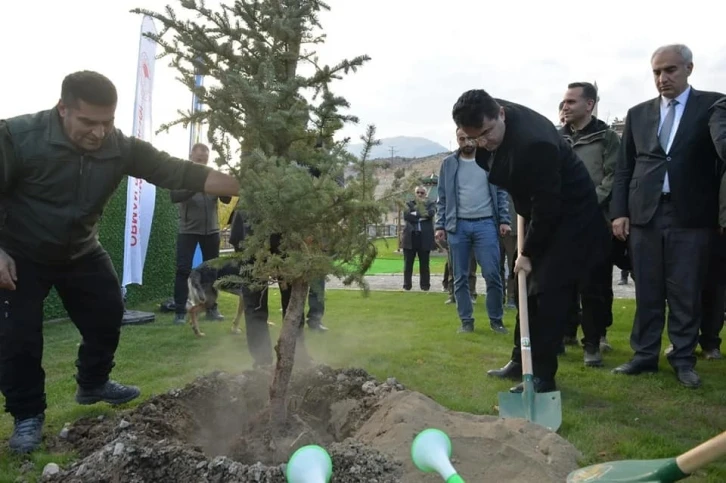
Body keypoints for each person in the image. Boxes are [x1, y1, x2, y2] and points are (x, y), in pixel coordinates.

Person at [0, 70, 240, 454]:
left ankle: (92, 382)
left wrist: (245, 184)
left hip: (80, 250)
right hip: (20, 252)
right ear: (63, 109)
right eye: (88, 123)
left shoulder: (120, 147)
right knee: (18, 337)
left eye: (107, 123)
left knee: (109, 311)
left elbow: (174, 170)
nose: (99, 133)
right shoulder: (17, 137)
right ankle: (27, 416)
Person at [449, 89, 610, 392]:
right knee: (529, 291)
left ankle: (542, 377)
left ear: (501, 113)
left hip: (570, 219)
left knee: (547, 296)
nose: (483, 143)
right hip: (540, 210)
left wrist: (527, 253)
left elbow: (548, 207)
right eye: (474, 138)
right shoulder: (487, 115)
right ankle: (520, 361)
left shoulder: (535, 145)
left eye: (486, 133)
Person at [610, 44, 725, 388]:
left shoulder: (713, 106)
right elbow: (624, 168)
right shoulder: (638, 113)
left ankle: (683, 358)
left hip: (692, 214)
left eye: (670, 70)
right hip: (645, 213)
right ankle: (644, 355)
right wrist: (619, 213)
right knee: (647, 288)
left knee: (685, 291)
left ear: (689, 68)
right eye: (657, 72)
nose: (663, 79)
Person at [559, 81, 621, 365]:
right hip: (561, 223)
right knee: (562, 283)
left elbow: (613, 176)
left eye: (572, 101)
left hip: (595, 222)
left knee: (594, 286)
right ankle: (563, 334)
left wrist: (586, 202)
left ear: (589, 104)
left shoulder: (607, 138)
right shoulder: (557, 138)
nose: (565, 106)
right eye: (564, 101)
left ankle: (593, 344)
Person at [435, 128, 511, 334]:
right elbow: (442, 197)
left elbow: (501, 192)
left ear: (476, 138)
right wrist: (440, 225)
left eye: (470, 137)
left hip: (486, 224)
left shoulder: (490, 160)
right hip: (457, 226)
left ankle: (496, 320)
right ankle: (466, 321)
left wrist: (504, 219)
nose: (467, 142)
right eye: (462, 138)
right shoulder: (448, 164)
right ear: (457, 139)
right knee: (459, 276)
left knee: (493, 273)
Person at [170, 142, 231, 325]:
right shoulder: (182, 174)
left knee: (211, 271)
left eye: (204, 159)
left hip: (211, 231)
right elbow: (174, 196)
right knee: (183, 270)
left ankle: (211, 308)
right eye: (198, 159)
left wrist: (223, 185)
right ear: (191, 157)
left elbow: (226, 199)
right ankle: (180, 311)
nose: (202, 162)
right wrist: (197, 185)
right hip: (188, 231)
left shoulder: (213, 175)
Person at [401, 186, 436, 291]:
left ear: (425, 194)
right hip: (410, 237)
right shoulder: (408, 204)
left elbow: (431, 213)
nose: (420, 194)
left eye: (422, 192)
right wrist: (422, 216)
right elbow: (406, 215)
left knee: (424, 264)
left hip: (424, 237)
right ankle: (407, 286)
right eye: (418, 192)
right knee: (408, 264)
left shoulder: (431, 203)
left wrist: (415, 214)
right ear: (415, 193)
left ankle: (425, 286)